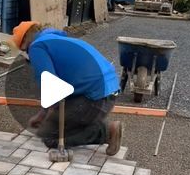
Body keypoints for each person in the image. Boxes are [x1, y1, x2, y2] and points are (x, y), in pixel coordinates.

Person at [12, 21, 123, 155]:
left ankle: (106, 132)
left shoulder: (37, 46)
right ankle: (89, 125)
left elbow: (48, 81)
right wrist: (44, 115)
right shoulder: (57, 39)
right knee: (57, 122)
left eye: (24, 51)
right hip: (108, 92)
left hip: (94, 97)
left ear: (25, 43)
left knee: (51, 138)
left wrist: (44, 115)